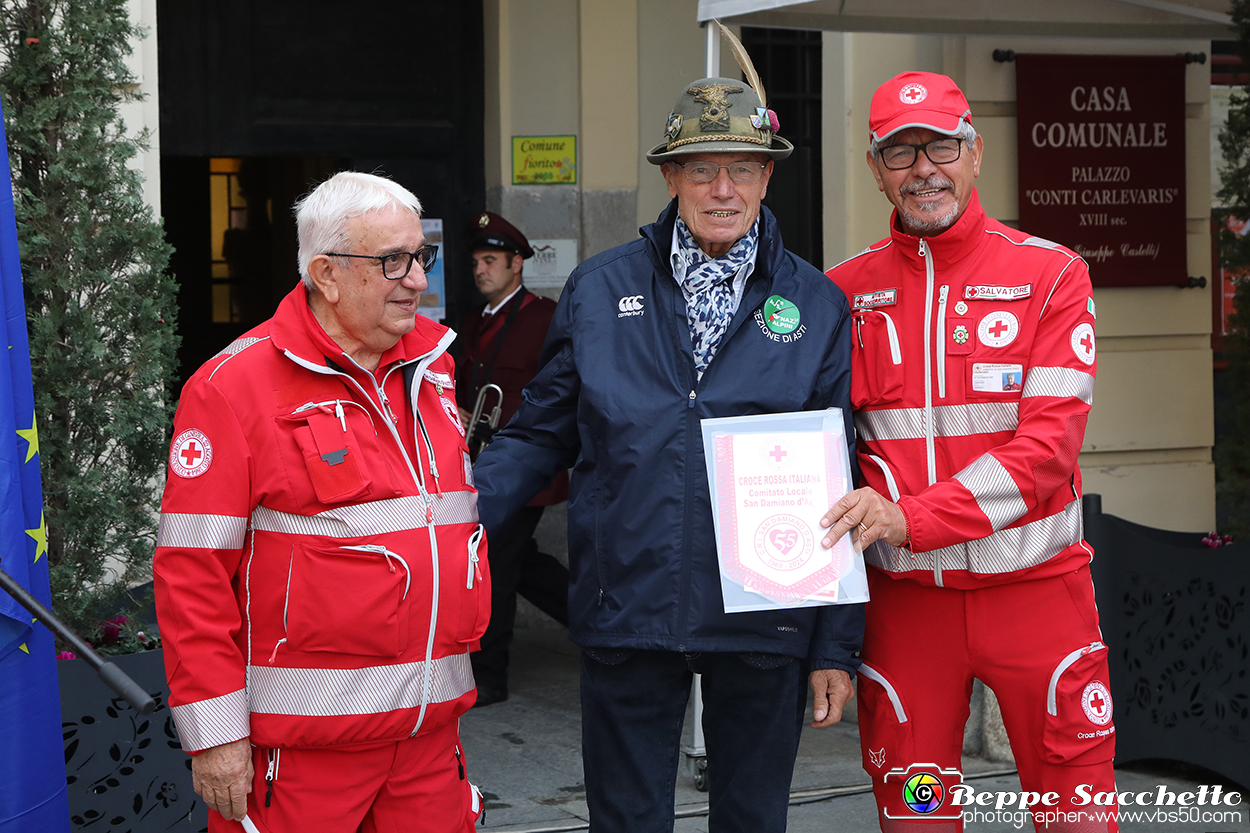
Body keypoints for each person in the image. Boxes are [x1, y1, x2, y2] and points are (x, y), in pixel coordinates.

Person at [473, 66, 864, 833]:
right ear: (671, 176)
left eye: (743, 168)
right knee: (625, 821)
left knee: (752, 819)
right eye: (702, 168)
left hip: (767, 612)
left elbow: (840, 476)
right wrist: (451, 512)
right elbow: (540, 431)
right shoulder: (598, 289)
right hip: (628, 603)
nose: (724, 189)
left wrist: (836, 645)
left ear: (767, 176)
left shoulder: (817, 304)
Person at [823, 72, 1116, 832]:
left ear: (975, 153)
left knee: (1072, 810)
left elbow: (1048, 452)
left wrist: (909, 517)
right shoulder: (841, 293)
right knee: (918, 811)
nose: (923, 168)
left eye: (941, 146)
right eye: (899, 151)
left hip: (1037, 598)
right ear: (875, 169)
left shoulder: (1051, 274)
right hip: (906, 614)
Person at [153, 172, 488, 833]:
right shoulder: (232, 387)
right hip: (302, 759)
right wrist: (216, 735)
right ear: (326, 274)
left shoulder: (435, 368)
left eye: (421, 256)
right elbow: (193, 574)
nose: (418, 279)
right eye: (392, 260)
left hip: (426, 742)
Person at [456, 211, 570, 707]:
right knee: (522, 564)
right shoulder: (476, 321)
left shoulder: (543, 318)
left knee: (497, 568)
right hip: (488, 461)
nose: (480, 269)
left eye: (490, 260)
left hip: (527, 470)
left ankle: (489, 675)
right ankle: (598, 620)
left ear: (517, 264)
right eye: (477, 261)